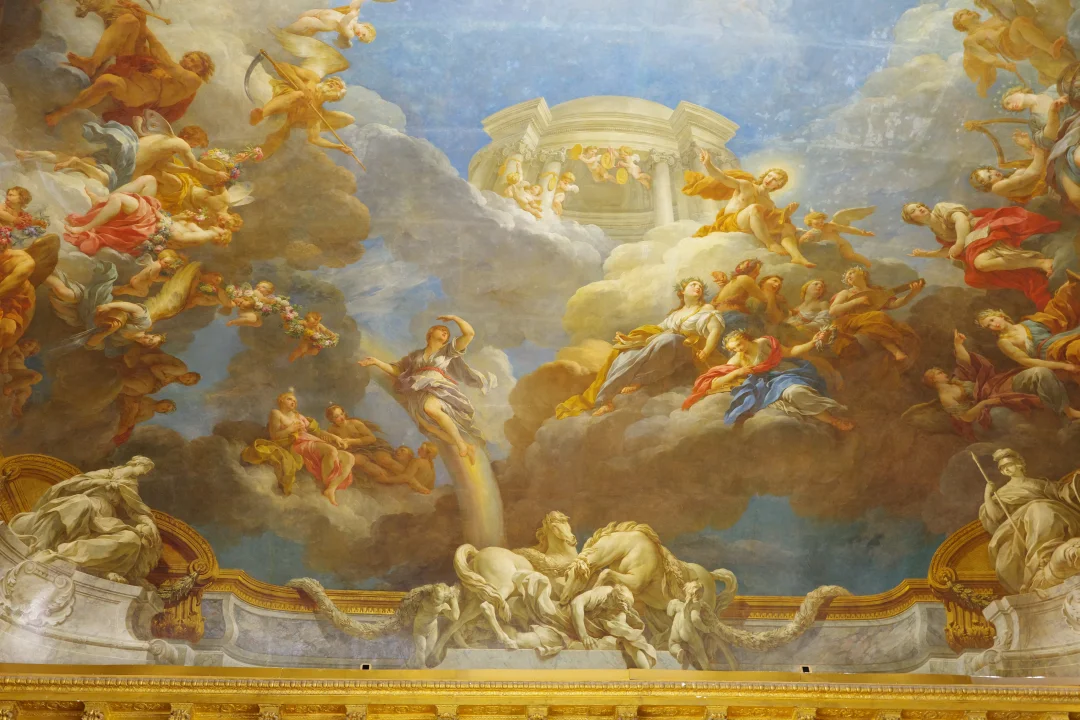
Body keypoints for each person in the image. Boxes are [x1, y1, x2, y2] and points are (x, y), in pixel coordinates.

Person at [557, 278, 724, 418]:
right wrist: (630, 339)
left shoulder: (706, 309)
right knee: (627, 353)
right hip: (668, 343)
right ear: (682, 291)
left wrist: (706, 351)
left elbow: (714, 331)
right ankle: (605, 400)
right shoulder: (675, 314)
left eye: (700, 286)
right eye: (693, 285)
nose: (698, 287)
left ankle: (639, 380)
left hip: (690, 349)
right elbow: (656, 331)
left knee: (668, 339)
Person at [7, 455, 161, 588]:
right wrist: (100, 483)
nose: (145, 472)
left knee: (131, 539)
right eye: (145, 467)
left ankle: (64, 555)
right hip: (90, 504)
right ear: (135, 463)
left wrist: (148, 522)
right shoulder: (108, 473)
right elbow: (74, 484)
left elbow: (134, 509)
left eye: (146, 470)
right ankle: (41, 546)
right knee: (80, 504)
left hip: (105, 519)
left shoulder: (131, 485)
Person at [358, 315, 493, 464]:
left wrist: (455, 318)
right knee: (429, 427)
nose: (445, 332)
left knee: (431, 408)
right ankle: (468, 446)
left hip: (437, 386)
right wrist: (376, 362)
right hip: (418, 391)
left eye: (447, 332)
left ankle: (461, 444)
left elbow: (469, 334)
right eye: (441, 329)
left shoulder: (447, 351)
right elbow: (397, 371)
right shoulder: (415, 356)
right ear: (430, 333)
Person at [920, 330, 1078, 439]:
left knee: (1039, 372)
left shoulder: (956, 380)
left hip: (998, 385)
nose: (943, 373)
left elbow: (965, 362)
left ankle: (1067, 411)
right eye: (939, 373)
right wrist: (985, 403)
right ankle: (1062, 419)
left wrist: (958, 345)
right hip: (990, 406)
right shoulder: (946, 398)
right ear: (933, 380)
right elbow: (966, 417)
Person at [683, 329, 852, 431]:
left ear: (745, 337)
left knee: (795, 392)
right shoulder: (738, 358)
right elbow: (715, 380)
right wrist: (737, 372)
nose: (738, 350)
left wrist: (813, 342)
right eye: (733, 349)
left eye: (739, 344)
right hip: (766, 385)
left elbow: (791, 352)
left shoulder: (764, 342)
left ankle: (833, 420)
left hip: (785, 374)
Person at [45, 29, 214, 127]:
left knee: (108, 81)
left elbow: (166, 62)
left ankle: (63, 112)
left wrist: (149, 33)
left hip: (138, 96)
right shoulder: (171, 71)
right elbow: (155, 57)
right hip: (131, 83)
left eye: (196, 64)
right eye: (190, 58)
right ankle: (92, 62)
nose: (190, 62)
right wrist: (141, 25)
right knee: (129, 24)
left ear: (202, 71)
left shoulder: (193, 81)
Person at [903, 201, 1056, 309]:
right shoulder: (936, 232)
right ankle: (1036, 264)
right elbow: (950, 250)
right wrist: (927, 254)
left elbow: (961, 220)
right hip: (973, 242)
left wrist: (960, 243)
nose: (919, 209)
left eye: (918, 206)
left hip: (983, 228)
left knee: (980, 263)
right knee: (975, 274)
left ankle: (1040, 262)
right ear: (912, 220)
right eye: (913, 211)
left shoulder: (940, 208)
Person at [682, 149, 814, 267]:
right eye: (769, 176)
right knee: (754, 208)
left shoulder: (769, 203)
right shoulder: (746, 185)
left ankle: (797, 256)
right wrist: (707, 164)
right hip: (730, 223)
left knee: (787, 227)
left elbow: (771, 223)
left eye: (775, 180)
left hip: (749, 227)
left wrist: (786, 214)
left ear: (778, 186)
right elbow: (722, 177)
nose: (769, 180)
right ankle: (770, 244)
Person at [980, 448, 1080, 593]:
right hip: (1022, 525)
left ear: (1019, 464)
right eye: (1002, 468)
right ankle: (1039, 563)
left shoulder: (1039, 484)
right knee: (1037, 509)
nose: (1006, 469)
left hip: (1057, 515)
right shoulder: (1001, 493)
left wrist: (1076, 483)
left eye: (1009, 464)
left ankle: (1046, 557)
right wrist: (987, 495)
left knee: (1039, 508)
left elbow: (1063, 494)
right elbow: (995, 516)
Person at [242, 389, 355, 504]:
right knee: (331, 450)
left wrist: (335, 437)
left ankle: (331, 488)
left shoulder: (298, 416)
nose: (293, 402)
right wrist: (291, 429)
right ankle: (326, 486)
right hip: (296, 443)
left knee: (349, 457)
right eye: (289, 399)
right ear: (281, 400)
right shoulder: (276, 413)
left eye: (295, 401)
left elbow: (318, 432)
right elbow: (275, 435)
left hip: (310, 440)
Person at [976, 270, 1080, 382]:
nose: (993, 324)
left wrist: (1065, 289)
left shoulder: (1026, 323)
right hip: (1053, 353)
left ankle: (1074, 284)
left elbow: (1053, 317)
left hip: (1060, 339)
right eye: (989, 326)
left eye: (992, 320)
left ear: (1000, 315)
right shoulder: (1004, 342)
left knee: (1057, 304)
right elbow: (1027, 362)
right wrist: (1064, 366)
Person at [953, 4, 1075, 97]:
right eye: (961, 15)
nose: (967, 12)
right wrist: (1005, 65)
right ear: (960, 24)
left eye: (967, 11)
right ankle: (1050, 48)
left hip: (1015, 36)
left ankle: (1049, 46)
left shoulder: (990, 21)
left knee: (1021, 21)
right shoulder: (970, 40)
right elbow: (986, 57)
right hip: (1009, 47)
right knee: (1018, 23)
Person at [828, 267, 923, 367]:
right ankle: (895, 351)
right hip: (850, 322)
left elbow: (894, 304)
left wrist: (912, 294)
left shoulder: (877, 292)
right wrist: (856, 301)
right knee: (878, 316)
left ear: (863, 274)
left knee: (880, 322)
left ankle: (896, 352)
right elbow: (833, 310)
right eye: (847, 276)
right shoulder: (846, 293)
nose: (848, 276)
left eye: (851, 272)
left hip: (872, 321)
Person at [63, 175, 163, 257]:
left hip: (149, 223)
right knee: (149, 179)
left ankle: (85, 227)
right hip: (154, 214)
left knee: (117, 198)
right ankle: (103, 200)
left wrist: (162, 220)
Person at [323, 403, 397, 484]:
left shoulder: (354, 423)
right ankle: (387, 478)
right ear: (331, 419)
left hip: (371, 447)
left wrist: (352, 441)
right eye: (336, 417)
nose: (341, 418)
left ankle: (402, 476)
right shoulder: (331, 430)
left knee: (384, 460)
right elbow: (335, 447)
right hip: (355, 451)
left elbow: (372, 438)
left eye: (341, 414)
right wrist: (338, 444)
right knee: (359, 460)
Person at [281, 0, 378, 49]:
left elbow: (343, 24)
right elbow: (355, 6)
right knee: (301, 16)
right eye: (363, 34)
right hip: (321, 12)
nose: (359, 36)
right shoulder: (355, 18)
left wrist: (351, 15)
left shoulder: (350, 34)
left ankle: (284, 32)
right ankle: (289, 27)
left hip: (326, 24)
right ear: (366, 26)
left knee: (306, 21)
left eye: (361, 38)